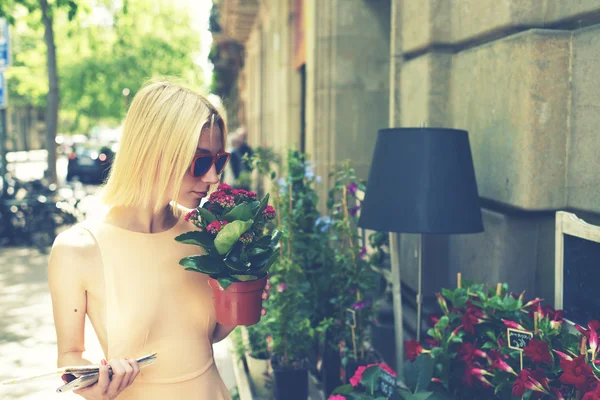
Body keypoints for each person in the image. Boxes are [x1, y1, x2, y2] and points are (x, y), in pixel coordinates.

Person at [48, 80, 269, 400]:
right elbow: (68, 357)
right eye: (201, 161)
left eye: (219, 161)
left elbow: (209, 337)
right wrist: (96, 388)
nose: (213, 178)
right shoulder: (77, 249)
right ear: (154, 154)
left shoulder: (202, 232)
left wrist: (247, 280)